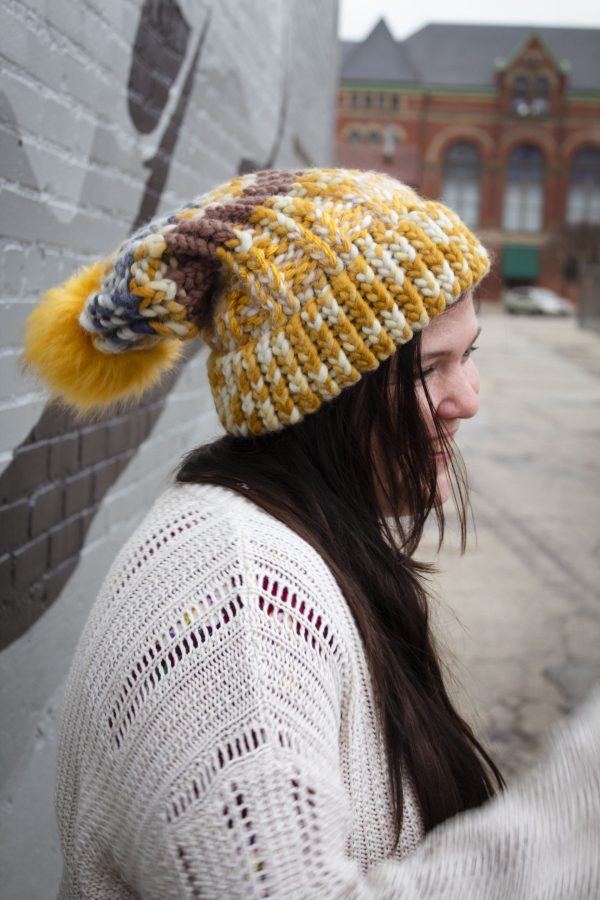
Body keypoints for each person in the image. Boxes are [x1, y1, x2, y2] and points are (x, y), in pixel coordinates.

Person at [24, 168, 599, 898]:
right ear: (320, 396)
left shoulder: (277, 535)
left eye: (470, 355)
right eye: (431, 369)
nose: (468, 400)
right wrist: (580, 812)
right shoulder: (239, 614)